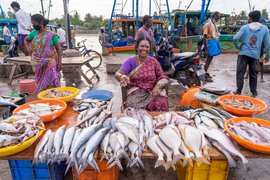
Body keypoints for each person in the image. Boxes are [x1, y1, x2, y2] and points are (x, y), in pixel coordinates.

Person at [115, 37, 169, 111]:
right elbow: (117, 74)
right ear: (137, 47)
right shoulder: (130, 61)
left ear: (149, 49)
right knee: (132, 105)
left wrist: (158, 86)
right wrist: (122, 76)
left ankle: (157, 122)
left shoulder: (153, 61)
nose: (144, 49)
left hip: (152, 91)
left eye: (147, 47)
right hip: (137, 92)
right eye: (142, 46)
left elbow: (162, 75)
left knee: (162, 102)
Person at [233, 10, 270, 97]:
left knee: (240, 72)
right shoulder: (264, 28)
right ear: (259, 17)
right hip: (255, 55)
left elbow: (235, 38)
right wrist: (267, 54)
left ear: (250, 18)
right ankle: (254, 92)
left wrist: (238, 47)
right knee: (253, 73)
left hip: (243, 53)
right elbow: (268, 44)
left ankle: (238, 91)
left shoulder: (245, 27)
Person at [24, 14, 62, 93]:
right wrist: (28, 49)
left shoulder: (52, 35)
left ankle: (54, 98)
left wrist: (60, 63)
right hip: (37, 62)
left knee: (53, 80)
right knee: (40, 82)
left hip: (50, 62)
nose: (33, 26)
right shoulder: (33, 33)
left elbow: (58, 50)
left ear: (41, 23)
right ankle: (44, 98)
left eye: (34, 24)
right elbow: (26, 40)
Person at [203, 11, 222, 82]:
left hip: (213, 42)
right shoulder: (207, 25)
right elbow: (204, 37)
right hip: (210, 43)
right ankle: (204, 75)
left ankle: (205, 73)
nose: (218, 19)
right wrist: (206, 49)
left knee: (210, 59)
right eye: (218, 17)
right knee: (208, 60)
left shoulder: (213, 25)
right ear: (214, 16)